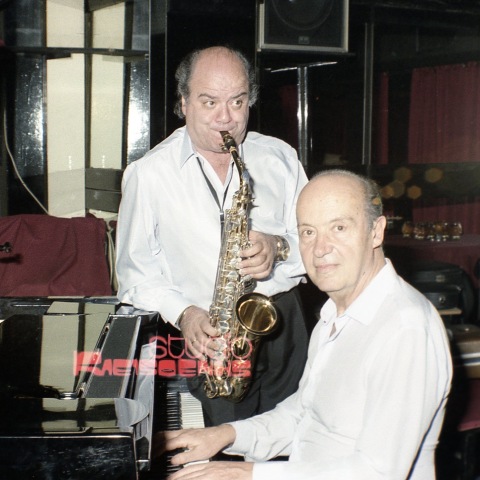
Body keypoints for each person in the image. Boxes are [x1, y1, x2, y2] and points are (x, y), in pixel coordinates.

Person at [160, 169, 453, 479]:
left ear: (376, 232)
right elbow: (304, 414)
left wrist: (246, 474)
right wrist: (226, 434)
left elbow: (378, 472)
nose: (320, 248)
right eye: (309, 232)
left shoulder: (404, 329)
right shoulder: (333, 314)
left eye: (339, 227)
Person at [115, 46, 309, 425]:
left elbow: (316, 244)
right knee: (224, 444)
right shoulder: (149, 174)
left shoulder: (280, 158)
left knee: (295, 437)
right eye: (209, 103)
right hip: (213, 335)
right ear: (183, 102)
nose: (226, 118)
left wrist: (279, 246)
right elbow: (134, 276)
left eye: (237, 102)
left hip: (285, 320)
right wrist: (185, 314)